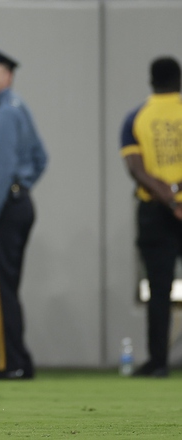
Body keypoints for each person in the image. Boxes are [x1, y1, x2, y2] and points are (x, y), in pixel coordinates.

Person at [0, 43, 48, 380]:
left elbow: (2, 169)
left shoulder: (4, 112)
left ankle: (8, 363)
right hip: (18, 204)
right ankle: (19, 360)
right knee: (7, 288)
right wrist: (24, 184)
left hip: (4, 209)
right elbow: (40, 158)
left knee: (0, 291)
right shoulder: (17, 107)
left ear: (7, 75)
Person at [120, 56, 182, 378]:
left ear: (151, 81)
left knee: (159, 290)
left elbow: (137, 170)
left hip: (155, 212)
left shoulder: (135, 118)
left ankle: (158, 363)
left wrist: (170, 201)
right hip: (173, 204)